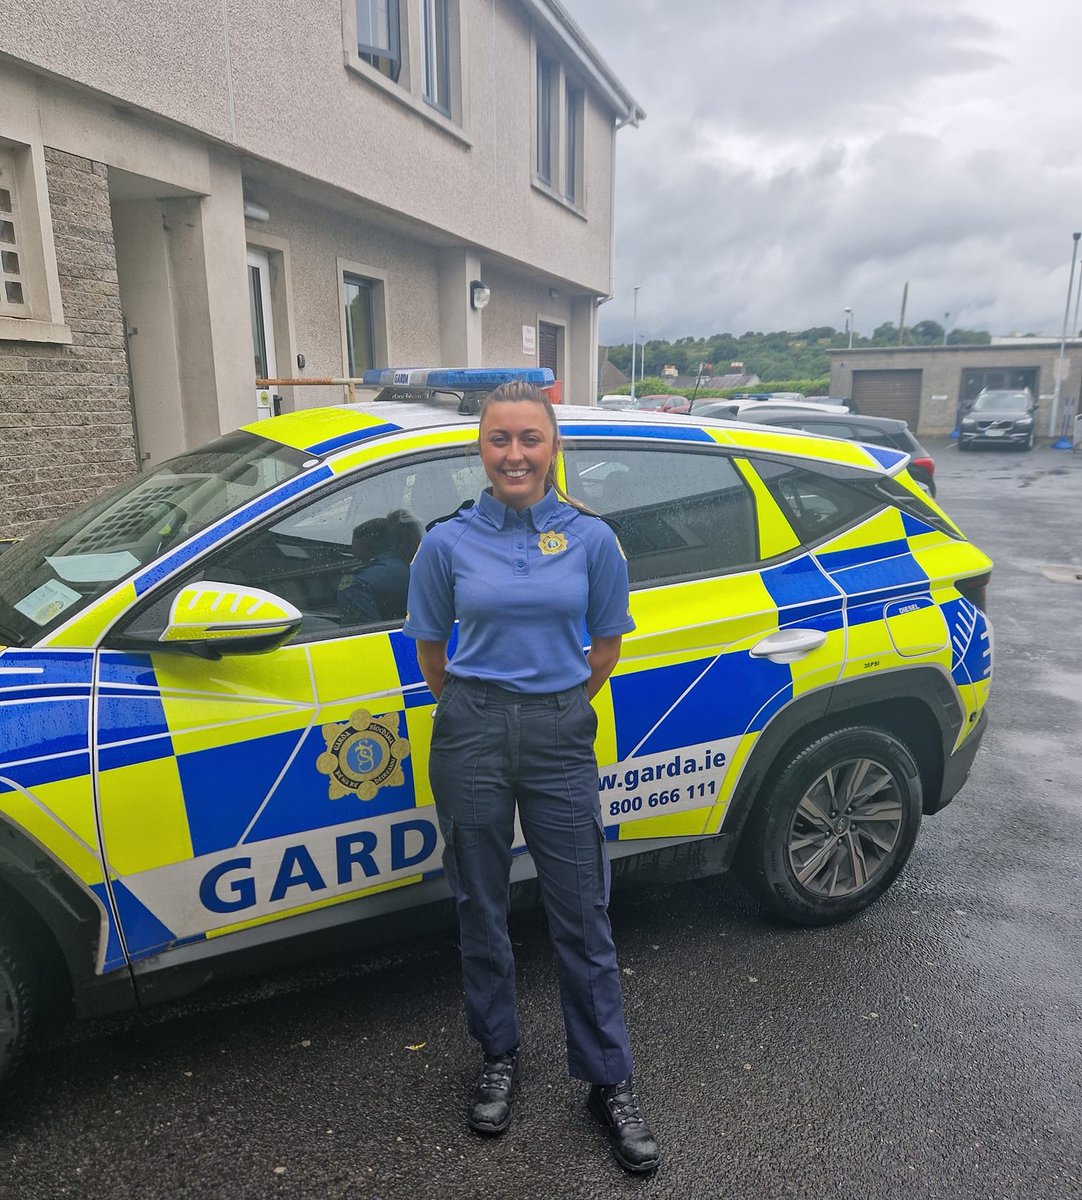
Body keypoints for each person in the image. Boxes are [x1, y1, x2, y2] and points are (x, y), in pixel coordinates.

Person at [402, 381, 660, 1174]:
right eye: (498, 440)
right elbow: (431, 653)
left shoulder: (591, 539)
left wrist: (547, 703)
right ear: (479, 451)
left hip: (557, 734)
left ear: (553, 448)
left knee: (582, 912)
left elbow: (606, 648)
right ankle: (498, 1055)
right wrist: (487, 708)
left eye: (529, 439)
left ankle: (606, 1079)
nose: (514, 454)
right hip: (470, 730)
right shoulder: (445, 543)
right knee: (481, 905)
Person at [338, 509, 421, 624]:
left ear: (364, 542)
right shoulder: (413, 564)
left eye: (352, 541)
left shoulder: (359, 583)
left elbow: (360, 631)